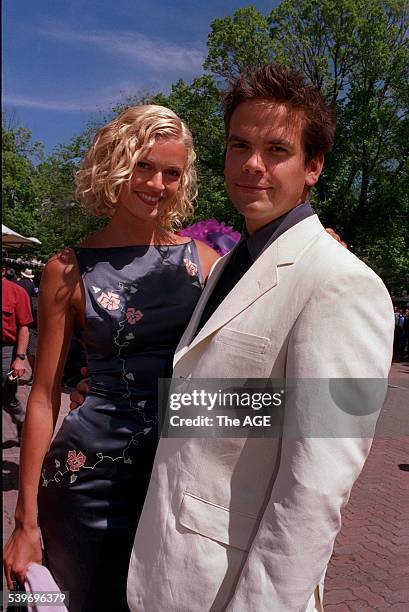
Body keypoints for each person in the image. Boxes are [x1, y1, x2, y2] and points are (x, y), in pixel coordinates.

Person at [121, 65, 392, 611]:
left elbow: (315, 488)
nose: (252, 164)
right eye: (239, 144)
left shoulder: (342, 284)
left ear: (312, 167)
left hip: (235, 588)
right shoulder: (229, 266)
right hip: (172, 567)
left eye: (277, 150)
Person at [3, 105, 219, 611]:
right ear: (115, 163)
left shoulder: (206, 264)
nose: (156, 183)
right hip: (83, 482)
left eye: (172, 172)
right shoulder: (66, 269)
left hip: (174, 477)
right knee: (65, 600)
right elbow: (42, 398)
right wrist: (24, 520)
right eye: (143, 165)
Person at [2, 255, 33, 441]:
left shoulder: (17, 292)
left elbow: (24, 327)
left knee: (7, 397)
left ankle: (22, 421)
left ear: (3, 270)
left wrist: (20, 358)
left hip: (6, 351)